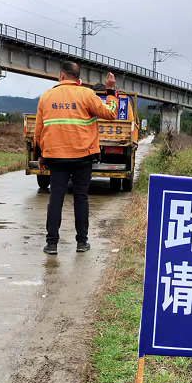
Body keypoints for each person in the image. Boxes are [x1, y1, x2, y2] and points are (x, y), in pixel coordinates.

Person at [34, 62, 119, 254]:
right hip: (83, 155)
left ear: (62, 75)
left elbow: (38, 131)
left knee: (56, 197)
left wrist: (40, 154)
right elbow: (110, 113)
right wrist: (110, 90)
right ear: (77, 77)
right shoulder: (87, 95)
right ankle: (82, 242)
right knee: (81, 197)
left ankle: (52, 244)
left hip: (55, 156)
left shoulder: (46, 97)